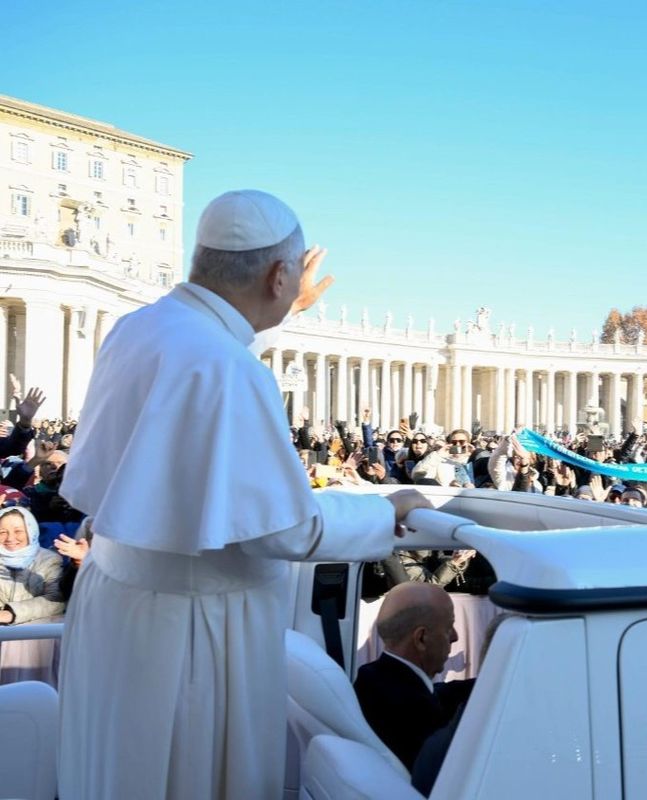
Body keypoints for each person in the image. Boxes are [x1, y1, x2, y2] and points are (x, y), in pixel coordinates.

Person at [56, 190, 431, 800]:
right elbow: (286, 527)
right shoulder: (228, 366)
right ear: (280, 274)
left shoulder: (137, 329)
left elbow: (203, 368)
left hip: (115, 605)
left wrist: (283, 311)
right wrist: (387, 510)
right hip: (194, 629)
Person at [354, 582, 473, 771]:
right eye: (449, 627)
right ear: (421, 639)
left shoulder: (370, 677)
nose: (455, 637)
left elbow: (438, 693)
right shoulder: (418, 714)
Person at [0, 506, 65, 624]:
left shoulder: (49, 560)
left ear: (31, 531)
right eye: (2, 532)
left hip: (33, 635)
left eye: (18, 531)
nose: (10, 538)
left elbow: (56, 600)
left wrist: (11, 613)